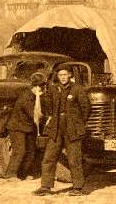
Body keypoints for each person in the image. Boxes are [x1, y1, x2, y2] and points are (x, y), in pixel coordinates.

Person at [33, 64, 91, 197]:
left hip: (73, 129)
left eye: (65, 75)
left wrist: (79, 123)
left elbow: (86, 108)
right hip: (56, 127)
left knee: (74, 159)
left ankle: (77, 188)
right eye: (60, 75)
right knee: (49, 157)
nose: (63, 77)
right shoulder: (54, 89)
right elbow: (48, 108)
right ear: (57, 77)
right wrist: (43, 95)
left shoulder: (77, 89)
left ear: (70, 75)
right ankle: (45, 187)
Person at [4, 72, 46, 181]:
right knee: (20, 150)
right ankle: (10, 174)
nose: (43, 89)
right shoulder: (26, 97)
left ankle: (22, 174)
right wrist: (37, 98)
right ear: (36, 87)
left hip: (28, 127)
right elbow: (36, 117)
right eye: (41, 86)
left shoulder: (35, 96)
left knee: (31, 151)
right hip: (17, 127)